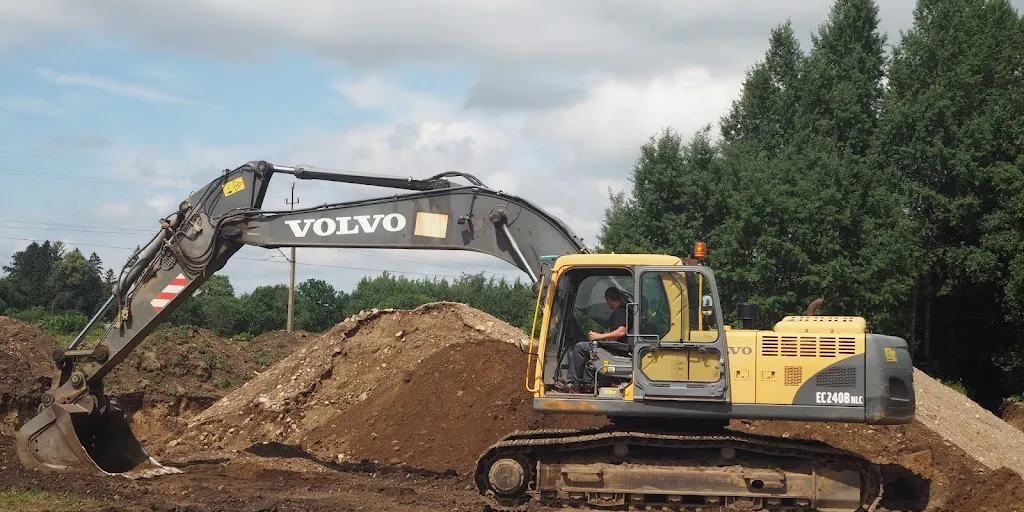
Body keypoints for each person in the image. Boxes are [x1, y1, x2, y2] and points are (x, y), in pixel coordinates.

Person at [556, 286, 628, 393]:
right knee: (588, 347)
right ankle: (584, 382)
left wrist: (599, 336)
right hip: (619, 346)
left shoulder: (620, 311)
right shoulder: (626, 309)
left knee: (580, 347)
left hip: (619, 349)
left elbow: (621, 331)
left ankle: (575, 385)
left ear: (608, 299)